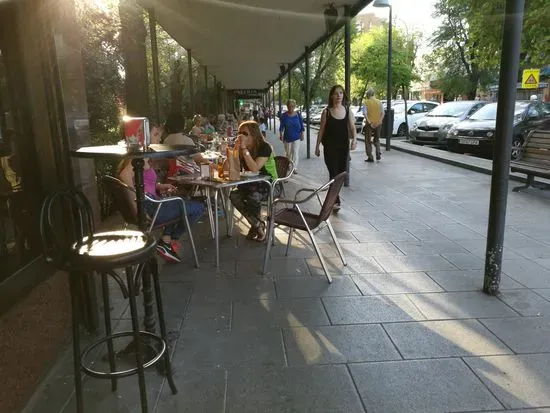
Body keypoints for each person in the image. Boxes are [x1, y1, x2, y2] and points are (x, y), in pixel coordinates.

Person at [118, 157, 205, 263]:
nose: (159, 138)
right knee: (199, 208)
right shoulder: (138, 158)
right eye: (156, 138)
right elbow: (124, 176)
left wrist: (160, 186)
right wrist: (136, 206)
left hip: (153, 203)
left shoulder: (142, 158)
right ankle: (171, 239)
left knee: (180, 201)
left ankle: (166, 239)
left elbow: (145, 183)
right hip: (151, 207)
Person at [229, 121, 278, 242]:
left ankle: (254, 227)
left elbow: (255, 168)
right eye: (239, 133)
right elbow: (228, 168)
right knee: (234, 195)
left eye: (245, 133)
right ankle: (257, 225)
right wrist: (234, 150)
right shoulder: (241, 149)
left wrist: (244, 149)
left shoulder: (264, 147)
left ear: (254, 135)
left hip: (270, 185)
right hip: (250, 184)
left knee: (253, 197)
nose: (241, 136)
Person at [314, 85, 356, 212]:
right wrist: (317, 146)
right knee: (333, 174)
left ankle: (332, 198)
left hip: (343, 148)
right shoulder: (326, 112)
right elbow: (321, 130)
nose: (339, 96)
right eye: (336, 93)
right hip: (330, 148)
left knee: (341, 174)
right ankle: (335, 200)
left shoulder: (347, 110)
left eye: (341, 93)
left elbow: (353, 127)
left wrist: (354, 139)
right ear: (331, 95)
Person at [279, 99, 304, 173]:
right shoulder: (284, 116)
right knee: (288, 153)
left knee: (295, 153)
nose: (291, 107)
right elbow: (281, 126)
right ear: (287, 106)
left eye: (292, 106)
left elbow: (301, 125)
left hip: (296, 137)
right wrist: (281, 135)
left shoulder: (298, 115)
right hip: (287, 137)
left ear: (295, 106)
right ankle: (288, 165)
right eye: (289, 106)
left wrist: (302, 134)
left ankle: (294, 168)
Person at [362, 88, 384, 162]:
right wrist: (379, 122)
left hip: (369, 124)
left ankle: (370, 156)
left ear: (367, 95)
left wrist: (370, 123)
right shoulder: (379, 102)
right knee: (377, 139)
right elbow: (382, 113)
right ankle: (378, 152)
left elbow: (365, 113)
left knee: (368, 140)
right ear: (373, 94)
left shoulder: (366, 102)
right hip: (378, 124)